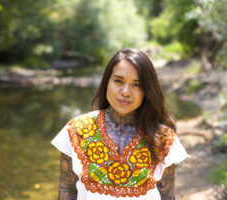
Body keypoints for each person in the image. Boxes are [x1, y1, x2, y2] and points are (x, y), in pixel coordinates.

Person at [51, 48, 188, 200]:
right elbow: (66, 192)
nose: (125, 92)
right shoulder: (76, 130)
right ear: (106, 82)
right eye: (118, 81)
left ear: (147, 90)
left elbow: (168, 197)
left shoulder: (163, 137)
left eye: (136, 85)